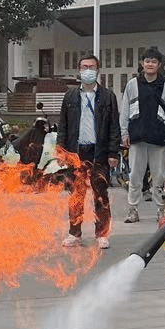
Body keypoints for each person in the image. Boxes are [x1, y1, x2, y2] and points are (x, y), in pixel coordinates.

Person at [57, 54, 121, 248]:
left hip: (99, 152)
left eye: (91, 67)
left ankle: (102, 233)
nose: (87, 71)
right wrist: (61, 151)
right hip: (76, 152)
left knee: (100, 193)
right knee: (76, 194)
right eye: (84, 67)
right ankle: (74, 233)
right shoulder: (70, 96)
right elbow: (63, 126)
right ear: (79, 71)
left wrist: (113, 153)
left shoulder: (107, 96)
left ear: (98, 70)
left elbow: (114, 126)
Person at [122, 46, 165, 223]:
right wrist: (124, 132)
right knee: (134, 176)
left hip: (158, 140)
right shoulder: (132, 84)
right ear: (142, 63)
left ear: (159, 65)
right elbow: (125, 109)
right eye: (147, 61)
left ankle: (161, 209)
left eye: (153, 61)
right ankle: (132, 209)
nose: (150, 64)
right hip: (137, 138)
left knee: (159, 176)